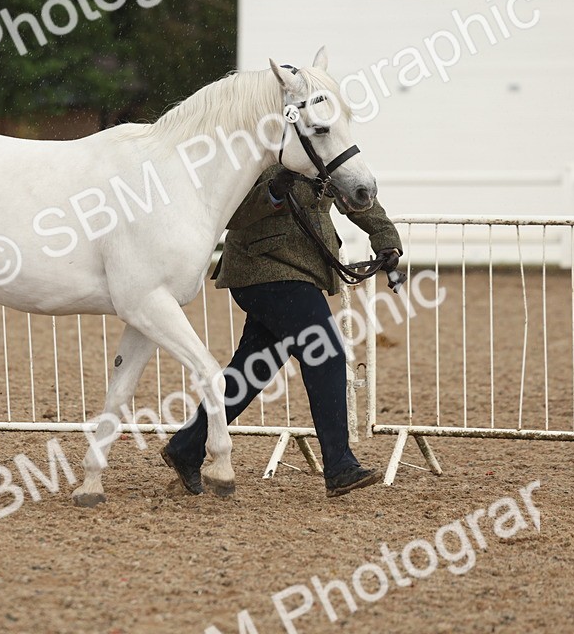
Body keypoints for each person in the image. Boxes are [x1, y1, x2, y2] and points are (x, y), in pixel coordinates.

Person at [162, 164, 402, 498]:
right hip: (261, 268)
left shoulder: (324, 149)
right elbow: (231, 214)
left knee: (253, 370)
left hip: (302, 271)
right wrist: (273, 191)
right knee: (326, 353)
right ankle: (339, 465)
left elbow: (356, 190)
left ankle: (187, 446)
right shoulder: (258, 149)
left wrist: (386, 240)